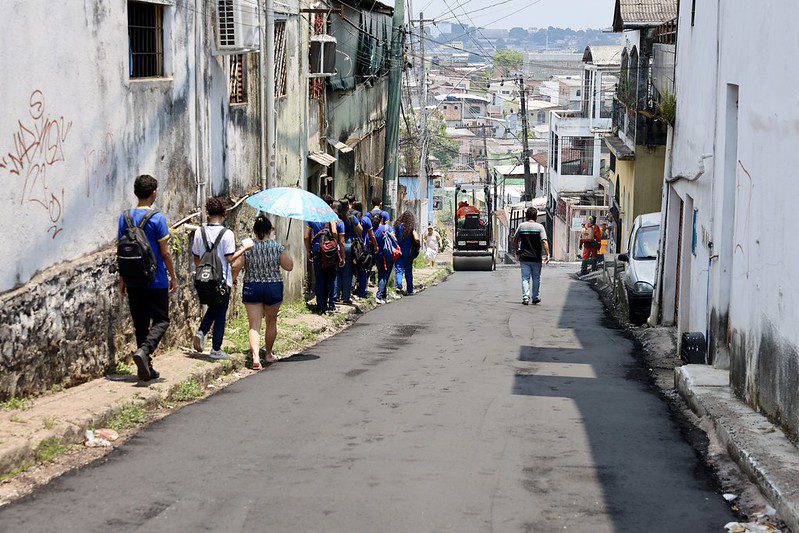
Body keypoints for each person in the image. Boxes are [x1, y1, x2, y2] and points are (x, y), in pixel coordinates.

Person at [117, 174, 177, 382]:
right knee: (162, 320)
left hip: (133, 279)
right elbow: (166, 251)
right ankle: (144, 352)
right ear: (153, 193)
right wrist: (173, 276)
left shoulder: (124, 217)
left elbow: (121, 250)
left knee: (141, 323)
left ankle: (146, 368)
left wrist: (123, 279)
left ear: (136, 192)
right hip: (156, 279)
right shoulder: (157, 218)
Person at [233, 215, 293, 370]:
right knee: (271, 322)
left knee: (254, 325)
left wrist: (233, 280)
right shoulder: (277, 247)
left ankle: (255, 357)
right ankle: (268, 354)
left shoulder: (248, 248)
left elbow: (235, 267)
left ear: (254, 231)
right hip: (273, 287)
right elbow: (289, 266)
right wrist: (285, 250)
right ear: (270, 231)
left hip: (252, 287)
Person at [191, 197, 237, 359]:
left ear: (208, 213)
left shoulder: (199, 232)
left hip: (203, 279)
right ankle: (216, 349)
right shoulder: (227, 234)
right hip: (222, 280)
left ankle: (202, 332)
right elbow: (230, 258)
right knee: (220, 313)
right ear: (224, 213)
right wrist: (244, 249)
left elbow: (196, 259)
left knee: (213, 307)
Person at [305, 212, 343, 315]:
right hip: (330, 250)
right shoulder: (330, 216)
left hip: (317, 250)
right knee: (331, 278)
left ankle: (320, 306)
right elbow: (335, 232)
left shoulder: (311, 218)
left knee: (320, 279)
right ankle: (331, 305)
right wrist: (335, 244)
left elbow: (306, 237)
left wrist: (309, 251)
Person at [513, 207, 550, 305]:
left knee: (525, 277)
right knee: (536, 278)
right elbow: (544, 241)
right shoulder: (540, 227)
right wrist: (548, 254)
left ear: (526, 216)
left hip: (524, 257)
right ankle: (535, 297)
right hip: (536, 258)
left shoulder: (521, 226)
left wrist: (517, 250)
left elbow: (515, 239)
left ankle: (525, 297)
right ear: (536, 217)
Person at [336, 199, 362, 304]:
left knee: (337, 272)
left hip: (336, 245)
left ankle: (336, 296)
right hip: (348, 245)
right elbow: (360, 230)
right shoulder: (352, 217)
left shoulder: (335, 217)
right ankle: (346, 297)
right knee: (348, 273)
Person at [353, 201, 378, 299]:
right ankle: (361, 292)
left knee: (352, 270)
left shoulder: (350, 218)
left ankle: (351, 290)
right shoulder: (366, 220)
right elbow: (371, 235)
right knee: (363, 270)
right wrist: (375, 246)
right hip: (362, 248)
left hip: (352, 246)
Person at [394, 210, 420, 295]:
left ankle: (398, 286)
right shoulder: (411, 227)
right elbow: (416, 238)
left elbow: (392, 235)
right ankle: (410, 290)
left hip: (399, 252)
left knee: (399, 270)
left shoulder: (397, 227)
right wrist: (418, 245)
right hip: (408, 253)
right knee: (408, 271)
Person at [373, 211, 396, 304]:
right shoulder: (387, 228)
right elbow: (395, 239)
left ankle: (384, 296)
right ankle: (379, 296)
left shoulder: (373, 230)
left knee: (381, 273)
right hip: (387, 255)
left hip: (377, 255)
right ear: (382, 219)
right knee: (385, 275)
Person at [329, 201, 347, 304]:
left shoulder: (323, 220)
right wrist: (343, 256)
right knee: (334, 274)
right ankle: (334, 297)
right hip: (334, 250)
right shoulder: (340, 222)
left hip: (322, 250)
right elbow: (342, 241)